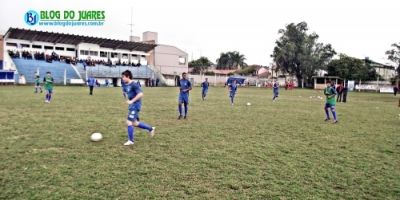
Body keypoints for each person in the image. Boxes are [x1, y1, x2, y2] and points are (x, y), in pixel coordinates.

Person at [121, 70, 155, 146]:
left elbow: (140, 94)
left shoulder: (134, 84)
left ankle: (131, 141)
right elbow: (125, 92)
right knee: (135, 123)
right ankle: (150, 129)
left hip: (136, 106)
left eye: (123, 77)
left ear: (128, 76)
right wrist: (125, 96)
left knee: (129, 122)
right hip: (131, 106)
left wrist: (132, 101)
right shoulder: (125, 84)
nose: (122, 78)